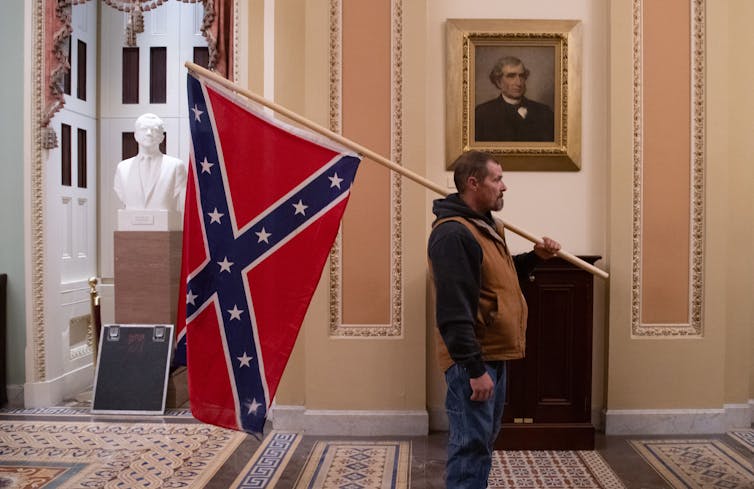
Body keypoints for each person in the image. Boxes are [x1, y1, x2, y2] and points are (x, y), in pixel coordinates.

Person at [428, 150, 561, 488]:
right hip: (473, 360)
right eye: (497, 179)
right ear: (473, 183)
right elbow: (454, 311)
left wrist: (534, 258)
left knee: (482, 442)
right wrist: (473, 370)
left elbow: (499, 276)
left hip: (492, 356)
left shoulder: (486, 226)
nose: (505, 187)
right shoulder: (453, 235)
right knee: (470, 445)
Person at [114, 113, 187, 213]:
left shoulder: (176, 166)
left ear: (162, 137)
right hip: (131, 225)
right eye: (144, 129)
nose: (149, 133)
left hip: (165, 224)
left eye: (155, 130)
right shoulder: (122, 168)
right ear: (135, 135)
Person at [474, 56, 554, 142]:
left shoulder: (545, 112)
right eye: (511, 76)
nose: (519, 83)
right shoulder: (481, 114)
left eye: (522, 76)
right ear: (498, 82)